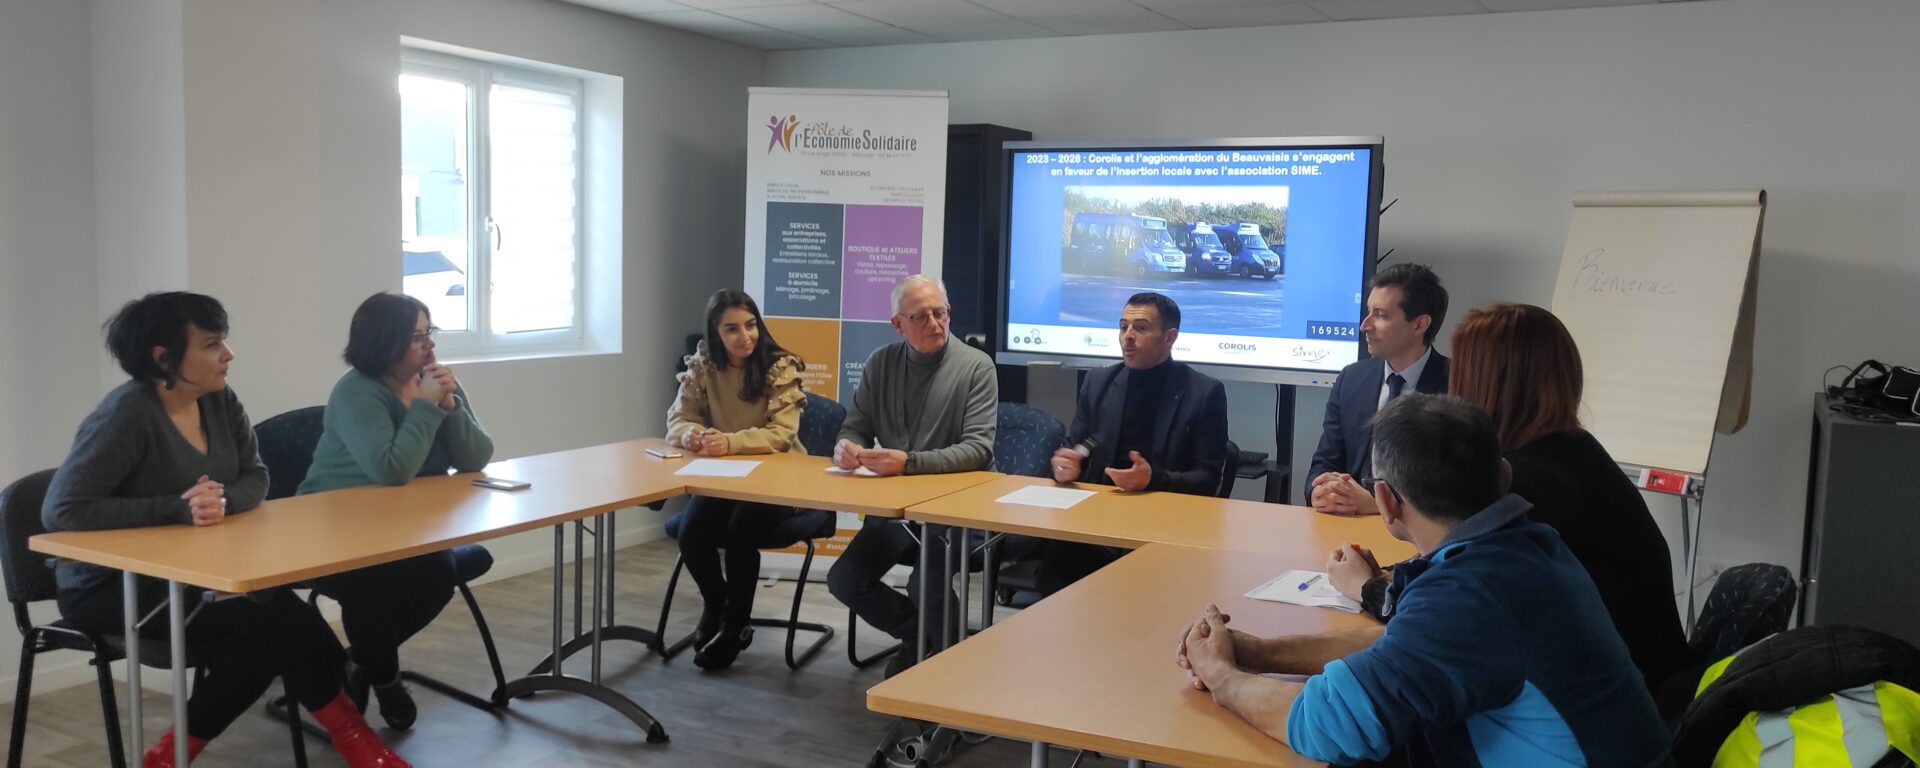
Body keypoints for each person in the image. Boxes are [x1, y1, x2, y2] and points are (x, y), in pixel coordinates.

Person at [1176, 395, 1673, 767]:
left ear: (1387, 502)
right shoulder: (1526, 546)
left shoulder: (1472, 595)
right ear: (1502, 477)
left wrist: (1220, 676)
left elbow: (1327, 724)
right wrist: (1257, 652)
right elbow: (1396, 643)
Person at [42, 292, 408, 768]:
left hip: (193, 572)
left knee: (272, 625)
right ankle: (352, 735)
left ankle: (170, 756)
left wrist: (222, 502)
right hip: (110, 585)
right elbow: (61, 510)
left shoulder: (218, 400)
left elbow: (256, 476)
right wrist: (176, 509)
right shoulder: (127, 414)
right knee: (276, 625)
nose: (228, 355)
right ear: (164, 357)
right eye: (213, 344)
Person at [1327, 303, 1693, 692]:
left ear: (1479, 383)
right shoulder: (1574, 449)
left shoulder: (1517, 485)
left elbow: (1451, 617)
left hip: (1608, 694)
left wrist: (1366, 588)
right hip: (1648, 679)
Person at [299, 292, 494, 730]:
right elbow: (390, 468)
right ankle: (386, 679)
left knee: (438, 573)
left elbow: (476, 458)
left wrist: (450, 407)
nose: (430, 346)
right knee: (374, 583)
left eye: (430, 333)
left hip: (404, 527)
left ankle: (359, 664)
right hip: (327, 530)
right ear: (383, 342)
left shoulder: (436, 380)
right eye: (416, 337)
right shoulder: (356, 392)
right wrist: (425, 408)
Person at [826, 274, 996, 678]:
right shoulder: (880, 363)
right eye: (921, 317)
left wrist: (909, 462)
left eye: (941, 313)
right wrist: (845, 447)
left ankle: (951, 670)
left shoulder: (976, 367)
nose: (935, 324)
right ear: (898, 324)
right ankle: (925, 641)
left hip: (957, 510)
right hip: (897, 511)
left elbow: (978, 449)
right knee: (844, 579)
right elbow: (855, 426)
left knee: (925, 585)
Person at [1039, 292, 1227, 593]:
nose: (1128, 337)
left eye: (1140, 328)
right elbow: (1076, 449)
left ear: (1170, 337)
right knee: (1056, 560)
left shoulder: (1203, 393)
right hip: (1097, 524)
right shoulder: (1098, 383)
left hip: (1164, 527)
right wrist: (1066, 466)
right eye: (1123, 326)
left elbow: (1208, 479)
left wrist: (1154, 478)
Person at [665, 289, 808, 671]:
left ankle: (735, 625)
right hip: (724, 476)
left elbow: (782, 434)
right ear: (715, 333)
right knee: (691, 531)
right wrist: (691, 436)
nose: (745, 336)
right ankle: (717, 602)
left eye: (750, 325)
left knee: (740, 530)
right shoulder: (703, 365)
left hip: (778, 478)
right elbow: (678, 418)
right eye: (732, 329)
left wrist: (729, 441)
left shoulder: (780, 366)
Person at [1306, 263, 1449, 516]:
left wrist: (1378, 507)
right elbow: (1324, 463)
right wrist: (1320, 490)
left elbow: (1457, 492)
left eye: (1381, 315)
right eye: (1368, 312)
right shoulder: (1352, 378)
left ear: (1419, 325)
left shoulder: (1456, 385)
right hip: (1349, 526)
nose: (1364, 326)